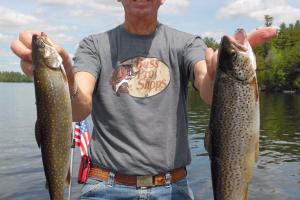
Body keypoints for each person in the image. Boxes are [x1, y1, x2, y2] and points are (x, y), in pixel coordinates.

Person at [11, 0, 276, 199]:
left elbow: (207, 90)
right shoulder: (94, 45)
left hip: (174, 188)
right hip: (104, 186)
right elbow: (80, 109)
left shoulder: (186, 43)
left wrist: (222, 76)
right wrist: (63, 81)